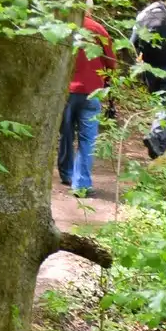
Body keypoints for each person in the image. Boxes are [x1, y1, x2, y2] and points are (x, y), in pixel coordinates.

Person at [57, 14, 116, 198]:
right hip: (92, 91)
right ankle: (81, 183)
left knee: (66, 134)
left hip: (65, 90)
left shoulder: (62, 26)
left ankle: (67, 173)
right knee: (88, 138)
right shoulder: (98, 29)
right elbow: (111, 63)